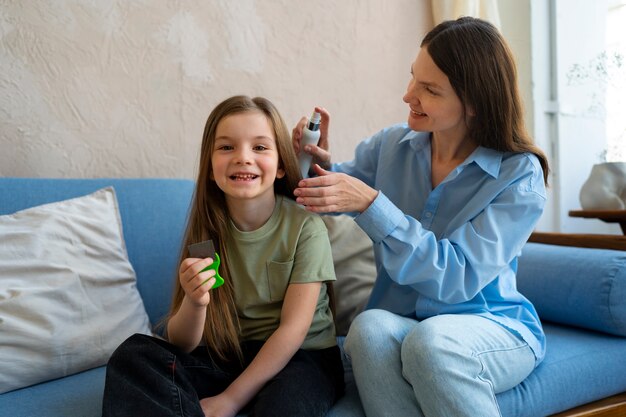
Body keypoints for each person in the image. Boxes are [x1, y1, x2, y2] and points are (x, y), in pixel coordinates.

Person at [292, 17, 550, 417]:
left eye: (429, 90)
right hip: (407, 326)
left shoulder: (519, 175)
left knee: (432, 341)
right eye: (414, 78)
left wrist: (371, 205)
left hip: (491, 327)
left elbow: (457, 275)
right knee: (369, 328)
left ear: (475, 103)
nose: (408, 95)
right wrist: (314, 162)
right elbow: (331, 191)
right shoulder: (392, 145)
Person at [102, 95, 344, 417]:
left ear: (282, 165)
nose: (243, 158)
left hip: (303, 357)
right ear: (211, 169)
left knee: (283, 407)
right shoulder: (208, 229)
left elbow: (293, 331)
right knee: (133, 356)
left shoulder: (306, 228)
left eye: (259, 147)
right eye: (227, 147)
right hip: (231, 355)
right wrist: (195, 302)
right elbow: (184, 344)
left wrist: (230, 399)